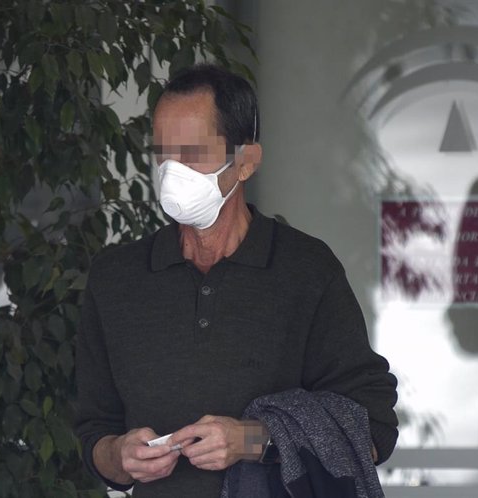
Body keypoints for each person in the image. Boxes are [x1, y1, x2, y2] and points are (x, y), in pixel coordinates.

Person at [74, 63, 398, 498]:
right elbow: (94, 432)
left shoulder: (305, 270)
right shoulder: (116, 279)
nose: (172, 171)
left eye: (192, 153)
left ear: (245, 162)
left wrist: (250, 440)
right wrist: (119, 456)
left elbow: (373, 428)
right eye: (163, 153)